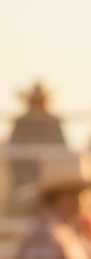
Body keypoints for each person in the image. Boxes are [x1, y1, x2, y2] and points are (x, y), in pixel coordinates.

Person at [5, 83, 73, 215]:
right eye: (35, 101)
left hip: (52, 176)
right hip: (26, 176)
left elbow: (63, 148)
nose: (38, 104)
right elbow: (13, 152)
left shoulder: (54, 122)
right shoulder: (21, 122)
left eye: (40, 101)